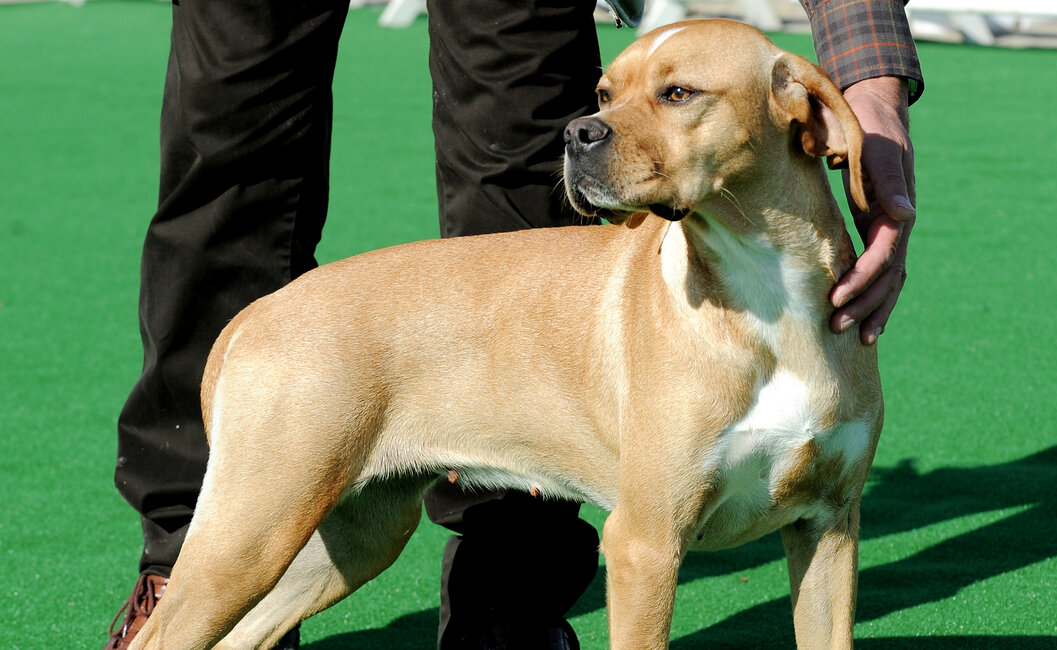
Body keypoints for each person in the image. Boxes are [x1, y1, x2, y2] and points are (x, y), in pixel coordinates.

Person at [102, 0, 923, 647]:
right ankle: (178, 572)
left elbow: (828, 528)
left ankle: (505, 622)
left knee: (508, 119)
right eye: (607, 99)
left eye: (674, 97)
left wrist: (873, 84)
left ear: (804, 113)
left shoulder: (839, 350)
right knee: (234, 143)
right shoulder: (331, 331)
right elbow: (640, 553)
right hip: (339, 351)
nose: (599, 129)